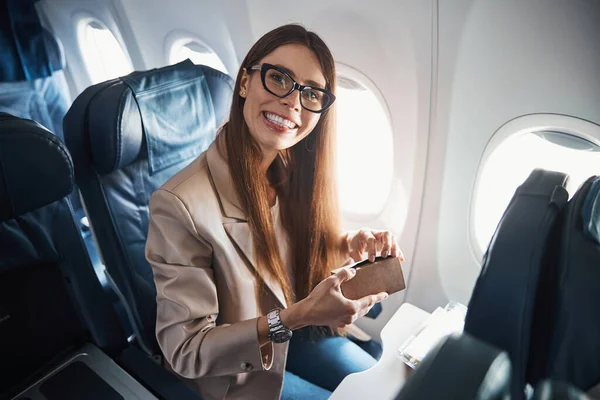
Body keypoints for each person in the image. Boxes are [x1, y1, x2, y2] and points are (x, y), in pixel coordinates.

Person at [145, 23, 404, 400]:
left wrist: (350, 244)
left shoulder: (291, 172)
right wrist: (298, 317)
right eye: (279, 78)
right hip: (238, 370)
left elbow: (284, 267)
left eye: (311, 93)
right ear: (245, 82)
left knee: (384, 389)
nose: (293, 102)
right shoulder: (178, 205)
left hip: (298, 333)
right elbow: (186, 352)